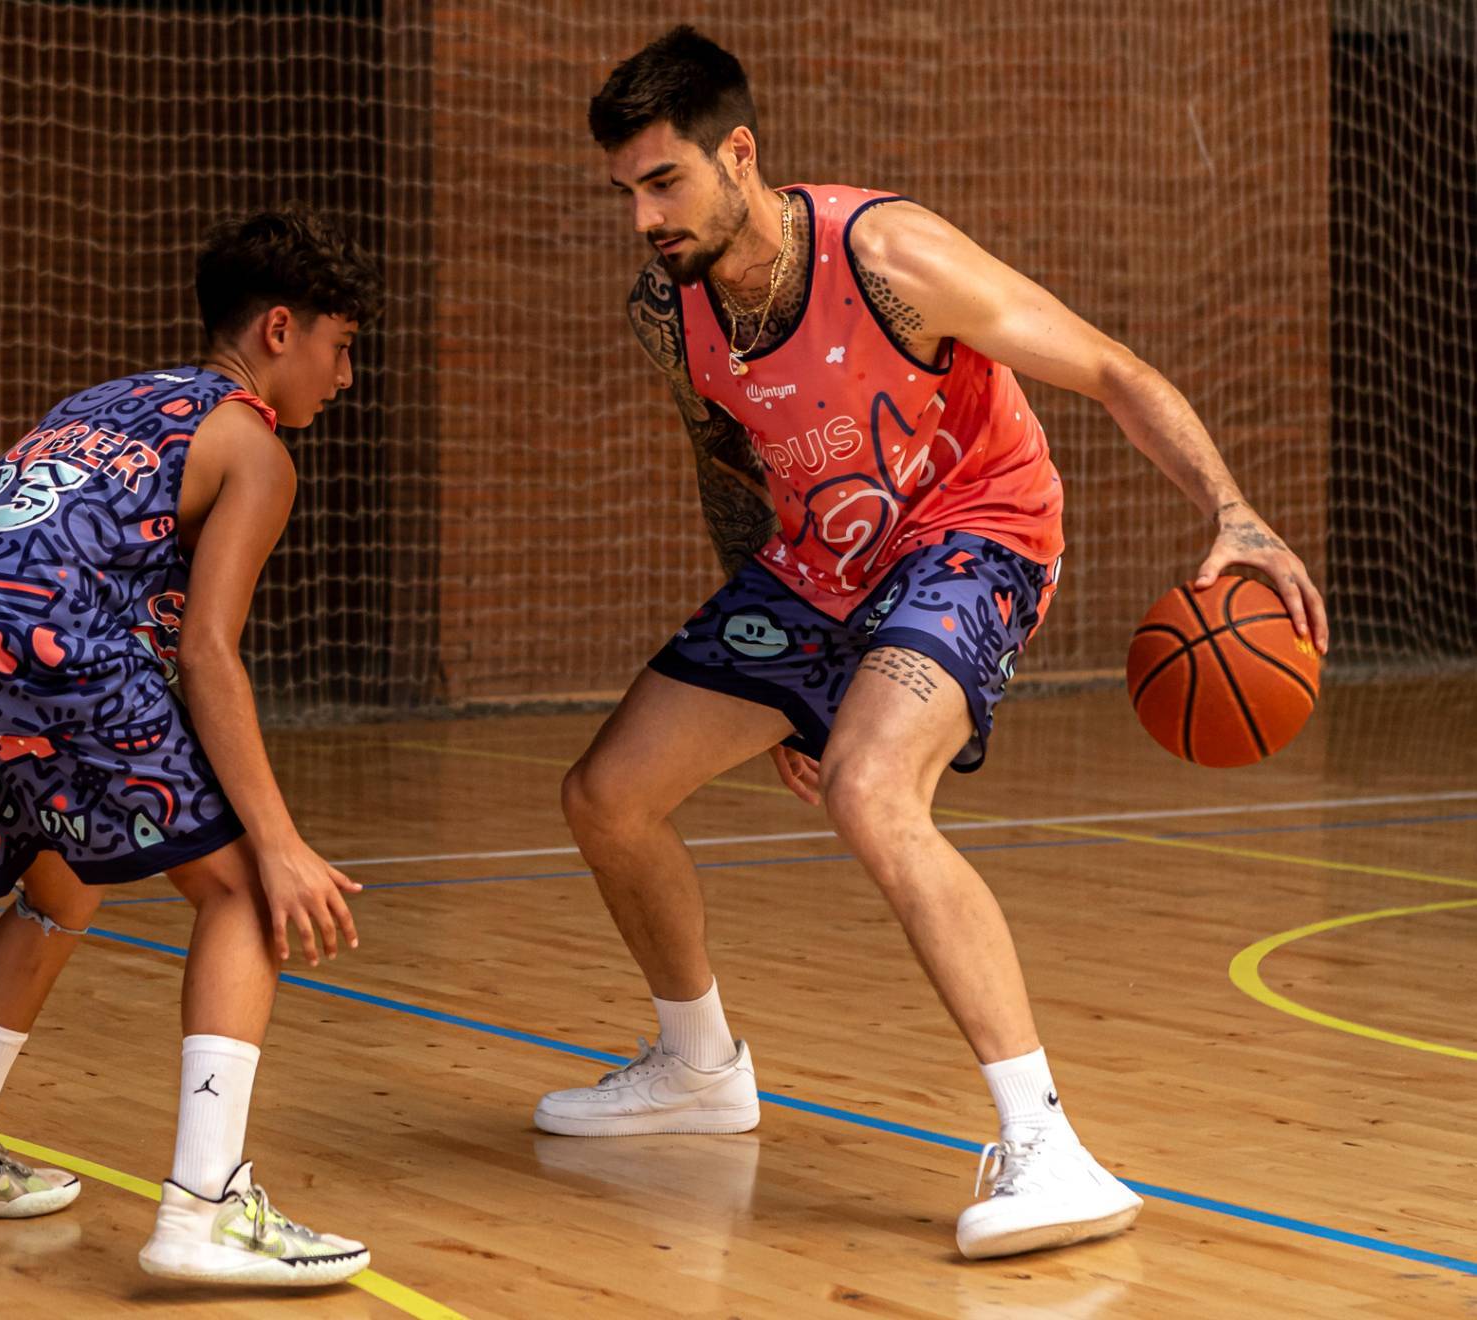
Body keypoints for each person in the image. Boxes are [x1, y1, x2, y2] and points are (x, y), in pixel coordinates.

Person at [535, 26, 1328, 1260]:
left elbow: (1110, 369)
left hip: (976, 532)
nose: (644, 216)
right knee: (606, 796)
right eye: (627, 192)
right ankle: (698, 1067)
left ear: (738, 154)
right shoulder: (671, 309)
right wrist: (784, 675)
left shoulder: (888, 256)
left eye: (663, 182)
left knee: (869, 786)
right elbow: (730, 468)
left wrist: (1230, 511)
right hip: (817, 563)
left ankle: (1048, 1146)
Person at [0, 208, 380, 1287]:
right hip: (41, 631)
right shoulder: (253, 444)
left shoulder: (106, 402)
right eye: (343, 350)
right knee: (246, 892)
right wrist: (279, 838)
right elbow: (207, 654)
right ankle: (207, 1207)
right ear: (282, 330)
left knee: (58, 888)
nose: (346, 379)